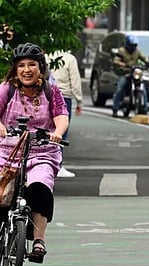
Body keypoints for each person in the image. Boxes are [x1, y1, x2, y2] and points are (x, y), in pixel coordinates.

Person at [0, 42, 69, 262]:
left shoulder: (51, 91)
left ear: (40, 68)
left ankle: (39, 240)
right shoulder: (8, 87)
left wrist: (58, 132)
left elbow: (61, 115)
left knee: (41, 185)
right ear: (15, 69)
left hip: (40, 149)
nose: (26, 69)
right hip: (4, 147)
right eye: (21, 65)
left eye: (32, 64)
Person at [47, 50, 83, 178]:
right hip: (64, 96)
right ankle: (58, 164)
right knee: (61, 132)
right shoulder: (69, 58)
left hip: (46, 95)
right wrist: (79, 100)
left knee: (46, 130)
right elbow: (75, 81)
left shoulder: (46, 56)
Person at [112, 34, 149, 118]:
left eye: (134, 45)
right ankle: (115, 108)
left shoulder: (137, 51)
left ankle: (144, 108)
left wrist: (147, 62)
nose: (133, 47)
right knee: (120, 88)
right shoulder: (121, 51)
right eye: (131, 45)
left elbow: (144, 57)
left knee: (143, 88)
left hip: (135, 73)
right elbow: (115, 60)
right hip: (126, 73)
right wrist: (121, 63)